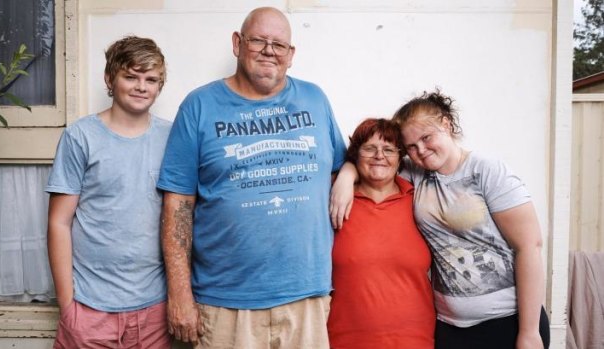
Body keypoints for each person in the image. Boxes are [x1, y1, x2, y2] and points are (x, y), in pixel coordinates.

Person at [157, 7, 346, 349]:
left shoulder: (315, 99)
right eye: (258, 40)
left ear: (291, 55)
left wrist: (347, 175)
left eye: (279, 44)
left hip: (305, 297)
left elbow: (340, 164)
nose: (269, 50)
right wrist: (180, 295)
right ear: (237, 43)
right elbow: (177, 205)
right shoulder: (199, 106)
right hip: (225, 303)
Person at [330, 90, 550, 349]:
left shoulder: (487, 170)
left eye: (426, 137)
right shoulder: (417, 175)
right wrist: (346, 173)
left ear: (446, 124)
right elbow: (376, 162)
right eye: (411, 146)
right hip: (450, 326)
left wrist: (529, 331)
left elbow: (529, 246)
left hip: (506, 320)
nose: (421, 150)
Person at [46, 36, 172, 348]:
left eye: (151, 79)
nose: (141, 86)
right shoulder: (80, 137)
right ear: (109, 78)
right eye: (131, 76)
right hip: (90, 308)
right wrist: (68, 306)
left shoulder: (172, 137)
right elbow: (59, 222)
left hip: (155, 309)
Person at [327, 118, 435, 348]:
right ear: (355, 155)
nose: (379, 155)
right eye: (369, 149)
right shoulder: (335, 200)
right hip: (344, 341)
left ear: (400, 158)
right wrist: (345, 176)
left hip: (416, 340)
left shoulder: (419, 199)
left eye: (388, 149)